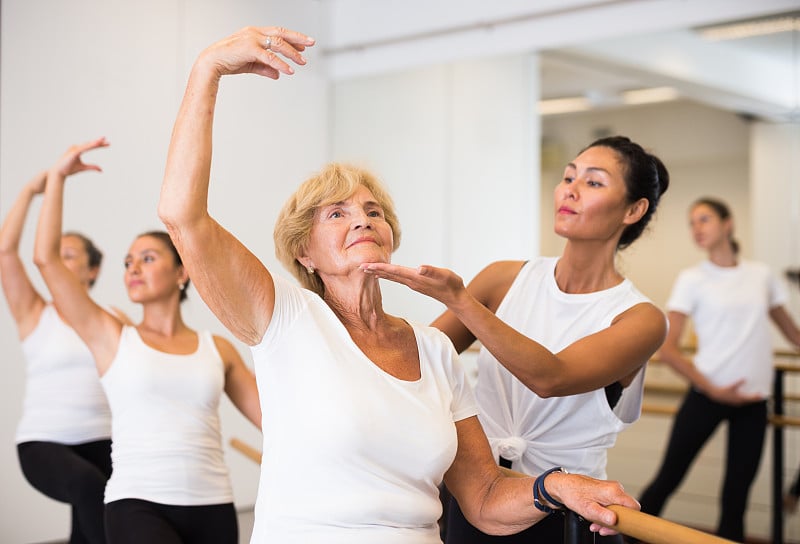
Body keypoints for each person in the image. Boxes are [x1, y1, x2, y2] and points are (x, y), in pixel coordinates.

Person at [157, 25, 641, 544]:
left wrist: (558, 486)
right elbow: (182, 214)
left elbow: (483, 499)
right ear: (304, 251)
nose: (362, 220)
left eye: (373, 211)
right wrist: (208, 68)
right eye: (336, 214)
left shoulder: (434, 350)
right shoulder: (285, 318)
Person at [362, 135, 670, 543]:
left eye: (593, 183)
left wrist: (461, 300)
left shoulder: (641, 319)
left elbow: (552, 377)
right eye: (568, 177)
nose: (570, 190)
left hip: (567, 514)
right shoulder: (504, 278)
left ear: (634, 209)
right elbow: (422, 355)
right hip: (478, 495)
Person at [33, 137, 262, 544]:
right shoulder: (111, 336)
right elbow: (47, 260)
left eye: (148, 258)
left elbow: (274, 420)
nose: (133, 268)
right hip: (137, 504)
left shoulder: (218, 349)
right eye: (127, 262)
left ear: (182, 273)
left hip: (215, 506)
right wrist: (57, 179)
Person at [633, 197, 800, 541]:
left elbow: (794, 335)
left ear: (728, 223)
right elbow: (668, 349)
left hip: (753, 403)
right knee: (669, 477)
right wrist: (712, 389)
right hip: (706, 397)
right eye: (692, 223)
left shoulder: (760, 275)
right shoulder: (692, 279)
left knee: (736, 495)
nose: (697, 228)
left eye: (704, 219)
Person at [0, 170, 123, 544]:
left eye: (67, 255)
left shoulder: (114, 319)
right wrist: (29, 191)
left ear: (93, 269)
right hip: (45, 443)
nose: (55, 259)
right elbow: (5, 251)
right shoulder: (35, 312)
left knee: (109, 508)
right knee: (88, 487)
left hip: (105, 440)